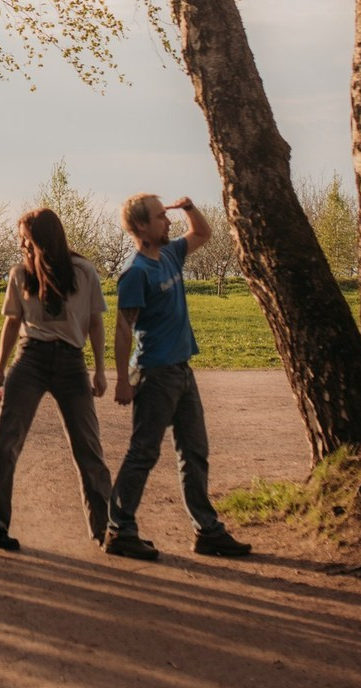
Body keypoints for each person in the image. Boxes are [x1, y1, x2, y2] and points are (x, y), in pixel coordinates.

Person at [105, 194, 251, 561]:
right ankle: (119, 529)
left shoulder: (170, 255)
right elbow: (124, 328)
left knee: (195, 451)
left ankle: (207, 531)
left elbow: (202, 232)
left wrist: (186, 207)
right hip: (154, 373)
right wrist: (122, 379)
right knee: (144, 452)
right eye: (160, 216)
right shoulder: (136, 272)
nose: (167, 222)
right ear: (141, 227)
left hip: (183, 370)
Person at [0, 208, 112, 552]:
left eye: (26, 237)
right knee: (6, 444)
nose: (21, 243)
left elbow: (95, 323)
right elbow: (11, 323)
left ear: (45, 238)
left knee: (89, 449)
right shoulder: (20, 274)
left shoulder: (84, 271)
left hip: (71, 363)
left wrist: (100, 369)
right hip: (30, 358)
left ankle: (108, 529)